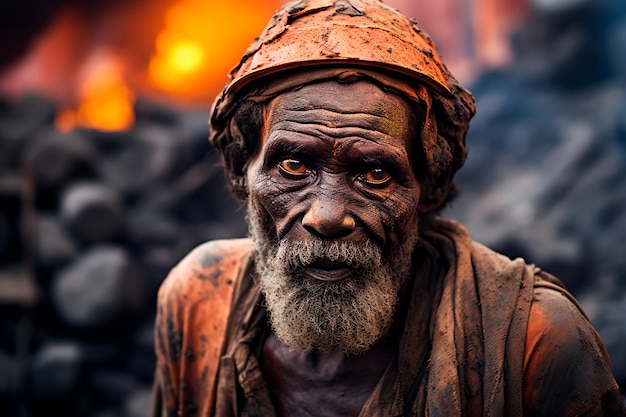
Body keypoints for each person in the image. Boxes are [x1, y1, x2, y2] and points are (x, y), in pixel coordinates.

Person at [151, 0, 626, 416]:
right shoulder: (199, 301)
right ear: (241, 170)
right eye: (294, 166)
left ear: (430, 187)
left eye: (375, 174)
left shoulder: (535, 343)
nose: (328, 216)